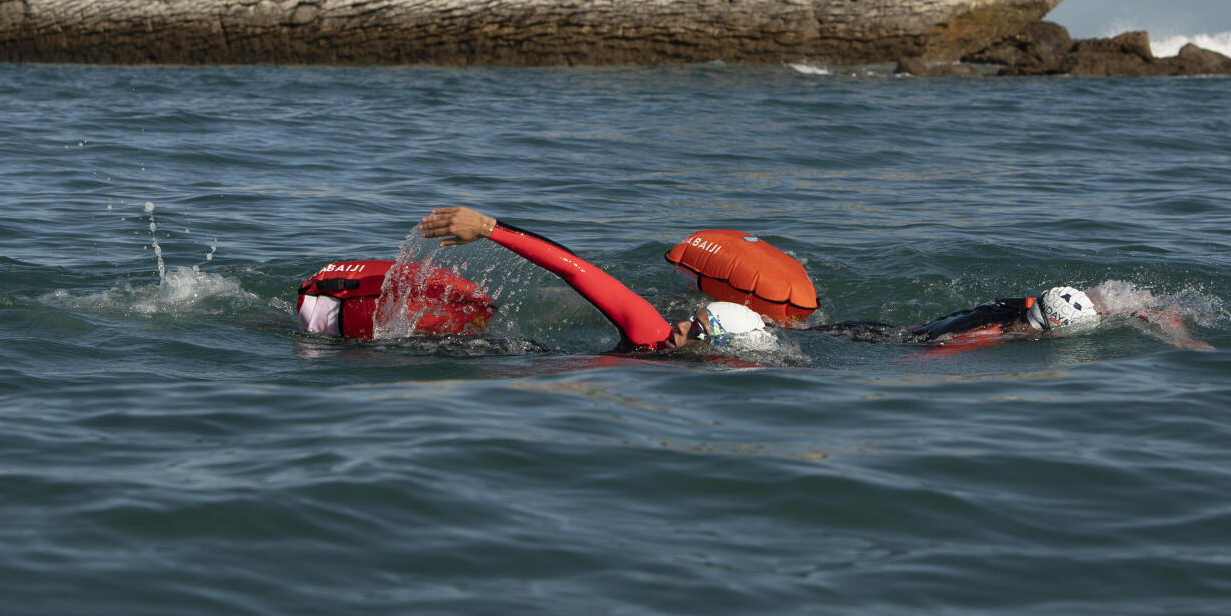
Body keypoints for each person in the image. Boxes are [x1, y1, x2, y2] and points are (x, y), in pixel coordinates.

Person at [416, 205, 773, 352]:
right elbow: (574, 268)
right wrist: (488, 228)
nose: (680, 325)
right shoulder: (650, 331)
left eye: (697, 329)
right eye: (692, 318)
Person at [819, 285, 1102, 348]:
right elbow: (937, 349)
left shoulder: (1026, 305)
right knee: (885, 337)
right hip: (916, 340)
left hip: (929, 325)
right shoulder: (994, 332)